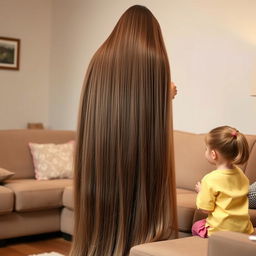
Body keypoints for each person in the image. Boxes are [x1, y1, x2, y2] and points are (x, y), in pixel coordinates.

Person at [69, 5, 178, 256]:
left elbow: (96, 105)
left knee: (101, 205)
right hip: (139, 153)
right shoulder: (154, 58)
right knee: (137, 201)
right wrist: (165, 95)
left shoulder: (99, 57)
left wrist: (163, 93)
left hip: (100, 149)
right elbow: (149, 116)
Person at [192, 126, 254, 238]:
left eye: (206, 148)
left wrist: (202, 191)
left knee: (196, 226)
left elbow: (205, 209)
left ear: (213, 154)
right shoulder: (241, 175)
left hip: (220, 231)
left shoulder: (210, 179)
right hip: (244, 230)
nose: (205, 151)